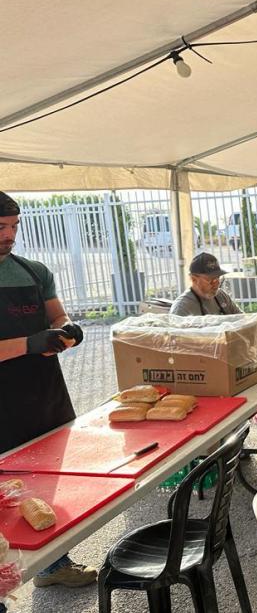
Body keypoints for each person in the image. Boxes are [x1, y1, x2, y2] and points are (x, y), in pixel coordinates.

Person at [0, 191, 97, 589]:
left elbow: (57, 313)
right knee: (8, 488)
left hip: (44, 390)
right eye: (0, 228)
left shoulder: (33, 271)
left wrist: (67, 331)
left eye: (13, 227)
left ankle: (53, 565)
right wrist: (30, 344)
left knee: (49, 478)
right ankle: (12, 570)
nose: (9, 236)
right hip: (3, 400)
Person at [170, 252, 257, 434]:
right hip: (204, 365)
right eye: (210, 280)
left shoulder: (221, 296)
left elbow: (244, 320)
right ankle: (233, 438)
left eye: (218, 279)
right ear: (193, 279)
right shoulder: (183, 307)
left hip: (231, 355)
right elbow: (178, 346)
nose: (216, 284)